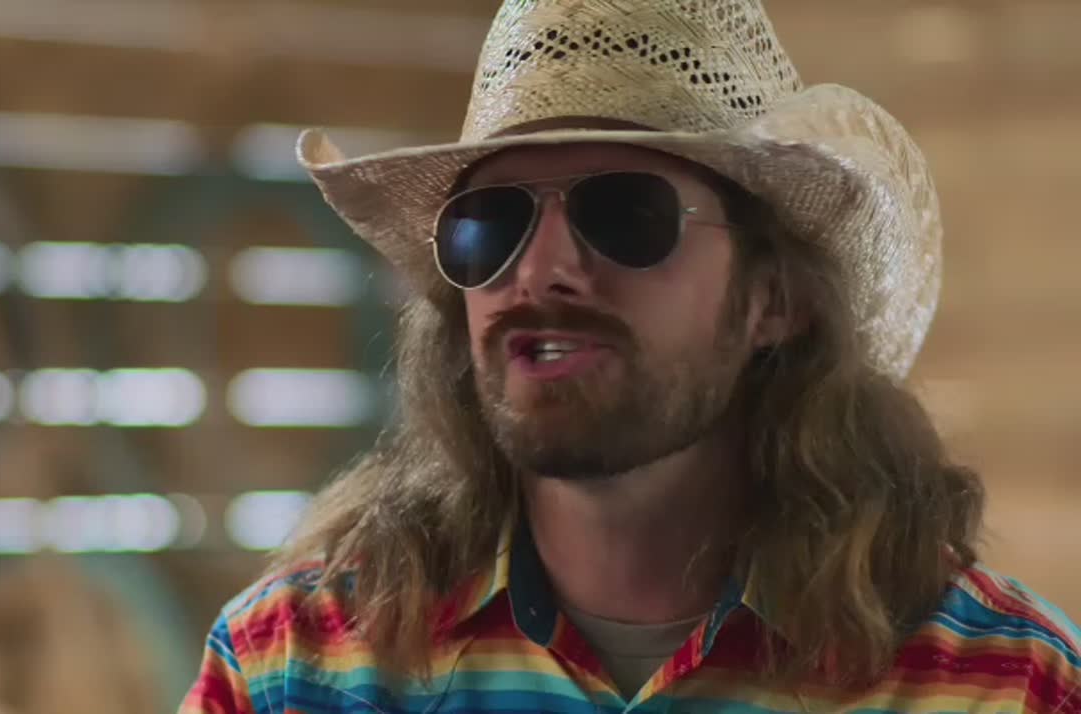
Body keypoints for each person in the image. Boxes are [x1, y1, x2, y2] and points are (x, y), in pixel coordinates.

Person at [181, 0, 1081, 711]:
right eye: (490, 224)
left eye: (624, 213)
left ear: (774, 299)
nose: (541, 268)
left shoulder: (997, 683)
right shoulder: (296, 669)